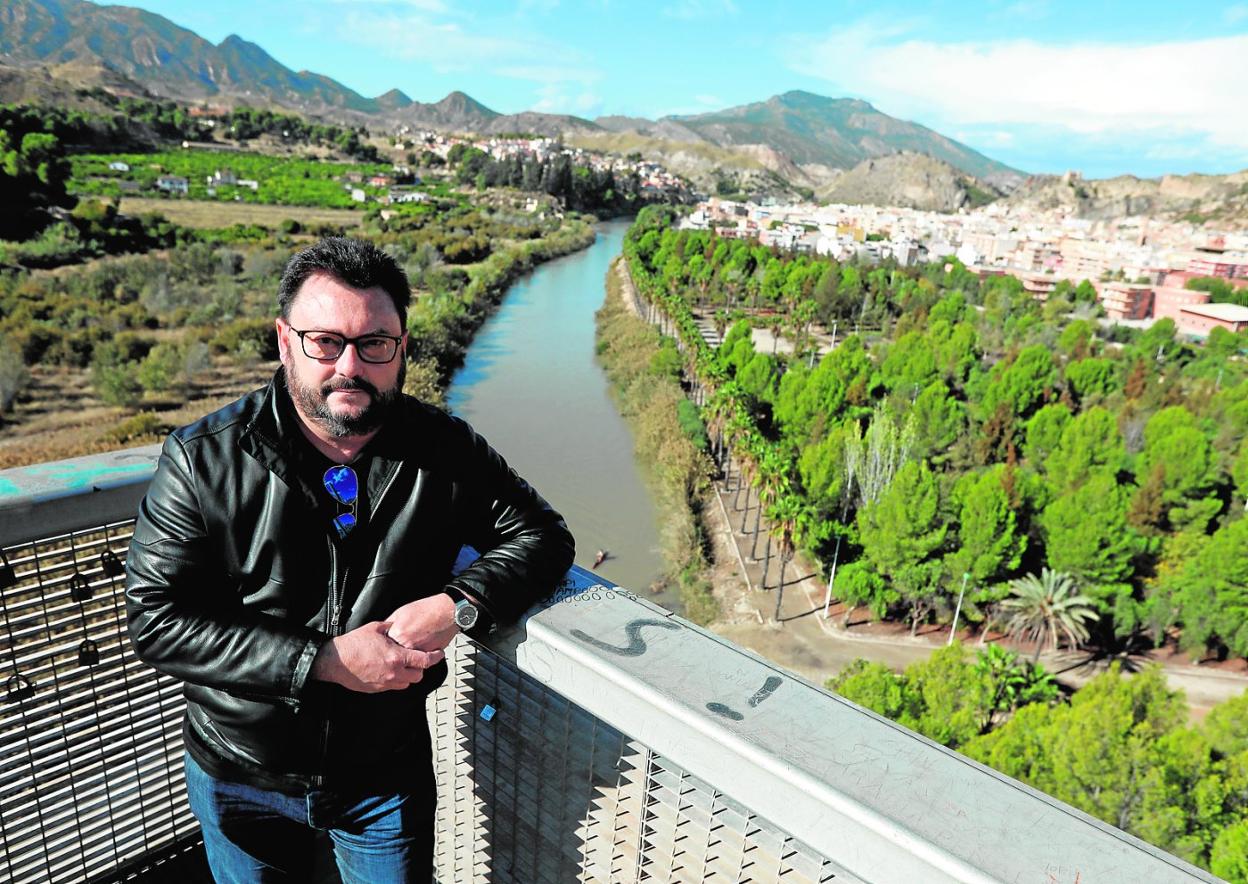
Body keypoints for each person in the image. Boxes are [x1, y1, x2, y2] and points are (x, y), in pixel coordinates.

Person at [125, 237, 575, 883]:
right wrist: (325, 662)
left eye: (374, 345)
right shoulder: (204, 460)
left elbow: (542, 535)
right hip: (238, 767)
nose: (349, 366)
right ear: (285, 341)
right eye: (325, 341)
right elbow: (156, 620)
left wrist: (459, 605)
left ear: (402, 349)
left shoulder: (445, 451)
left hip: (381, 773)